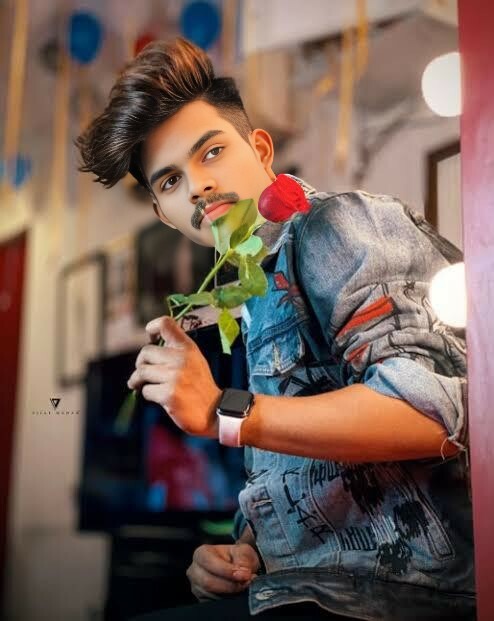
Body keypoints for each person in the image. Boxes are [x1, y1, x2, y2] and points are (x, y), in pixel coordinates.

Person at [76, 38, 475, 621]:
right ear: (163, 214)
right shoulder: (253, 295)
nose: (197, 186)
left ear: (261, 149)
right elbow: (302, 481)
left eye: (211, 152)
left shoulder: (335, 225)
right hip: (308, 591)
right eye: (170, 182)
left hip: (406, 598)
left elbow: (435, 413)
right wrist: (245, 553)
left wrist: (223, 411)